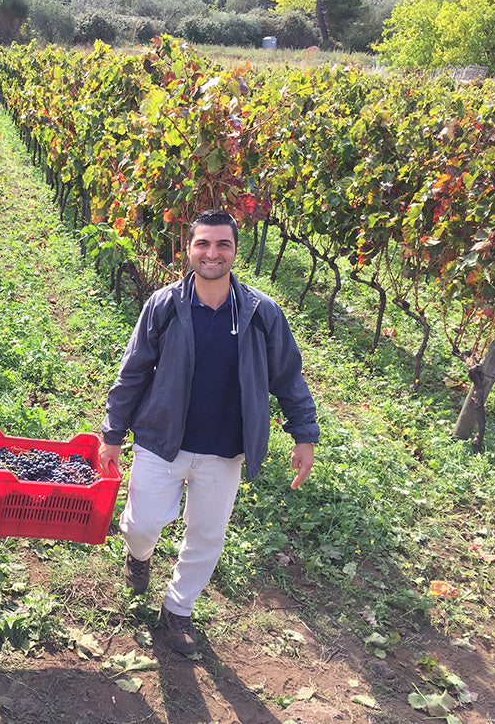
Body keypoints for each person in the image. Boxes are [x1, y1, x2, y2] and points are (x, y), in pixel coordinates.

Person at [98, 210, 318, 656]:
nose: (212, 253)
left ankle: (178, 608)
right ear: (189, 249)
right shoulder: (164, 305)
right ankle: (138, 558)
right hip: (161, 440)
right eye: (203, 244)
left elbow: (288, 376)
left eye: (222, 245)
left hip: (224, 451)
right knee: (142, 525)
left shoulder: (261, 312)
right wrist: (112, 432)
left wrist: (304, 434)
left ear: (236, 251)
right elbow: (134, 371)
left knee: (206, 536)